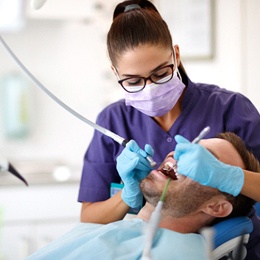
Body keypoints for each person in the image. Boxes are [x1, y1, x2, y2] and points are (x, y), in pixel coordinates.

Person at [79, 0, 260, 224]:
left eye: (160, 73)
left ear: (176, 55)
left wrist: (230, 177)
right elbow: (89, 218)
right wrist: (127, 195)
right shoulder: (113, 121)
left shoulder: (230, 109)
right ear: (115, 72)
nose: (151, 87)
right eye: (133, 81)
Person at [28, 133, 259, 259]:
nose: (178, 154)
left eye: (203, 159)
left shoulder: (178, 253)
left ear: (217, 207)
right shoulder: (99, 228)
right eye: (188, 146)